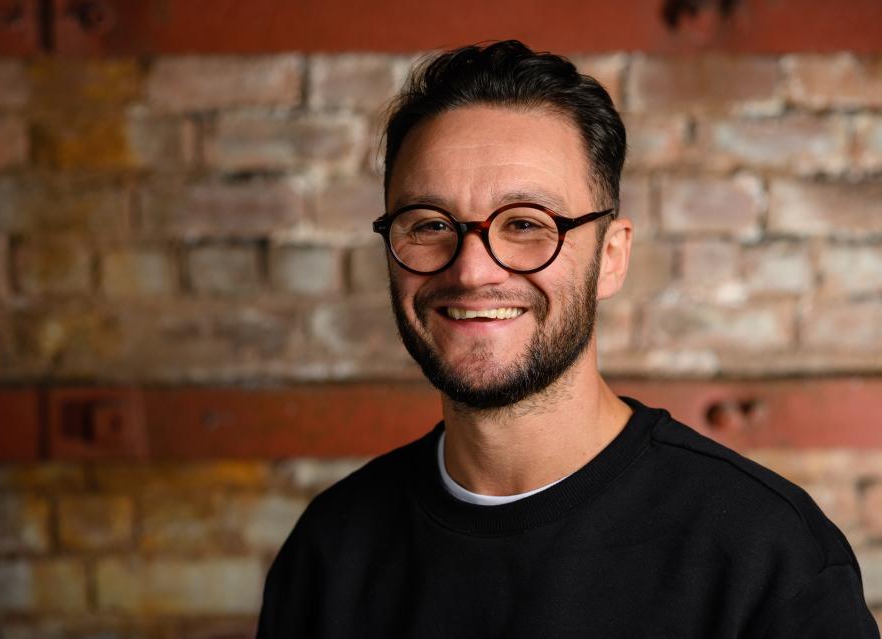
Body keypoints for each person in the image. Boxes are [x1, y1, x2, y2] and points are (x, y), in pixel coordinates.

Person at [257, 40, 878, 638]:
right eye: (429, 224)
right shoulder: (330, 551)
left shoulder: (767, 556)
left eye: (527, 224)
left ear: (611, 257)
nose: (472, 270)